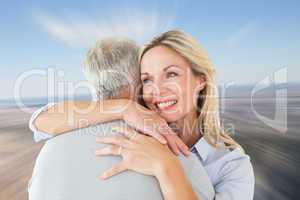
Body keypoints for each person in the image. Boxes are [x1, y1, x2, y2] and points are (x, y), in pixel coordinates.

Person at [30, 30, 255, 199]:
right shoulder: (130, 127)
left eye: (171, 74)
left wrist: (166, 165)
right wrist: (125, 108)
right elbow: (40, 122)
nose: (157, 90)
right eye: (147, 79)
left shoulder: (231, 166)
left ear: (201, 80)